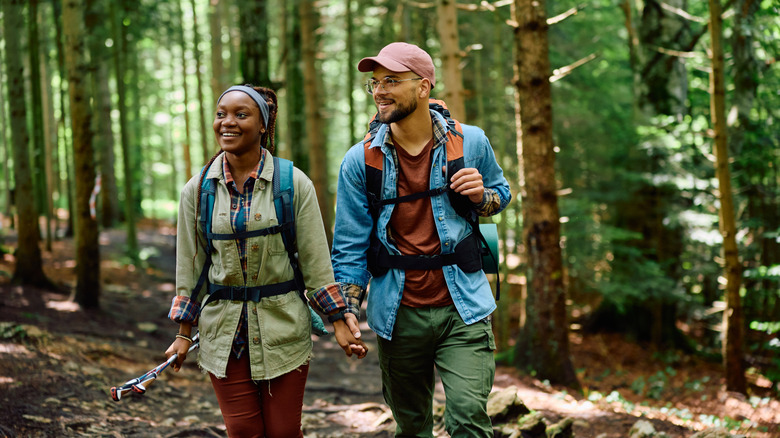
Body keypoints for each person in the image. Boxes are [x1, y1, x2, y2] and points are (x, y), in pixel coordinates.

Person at [165, 84, 367, 438]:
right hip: (222, 334)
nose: (227, 122)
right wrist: (184, 333)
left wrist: (338, 322)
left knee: (284, 432)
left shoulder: (292, 184)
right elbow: (191, 268)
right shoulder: (197, 192)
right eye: (221, 114)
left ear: (263, 125)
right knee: (243, 431)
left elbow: (316, 263)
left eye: (241, 115)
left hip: (283, 328)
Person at [332, 42, 511, 437]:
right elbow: (349, 247)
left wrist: (482, 197)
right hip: (398, 314)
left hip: (463, 307)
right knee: (412, 427)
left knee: (467, 419)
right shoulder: (360, 161)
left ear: (423, 87)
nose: (379, 90)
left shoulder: (471, 142)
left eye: (391, 81)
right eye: (375, 82)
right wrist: (346, 310)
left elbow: (501, 194)